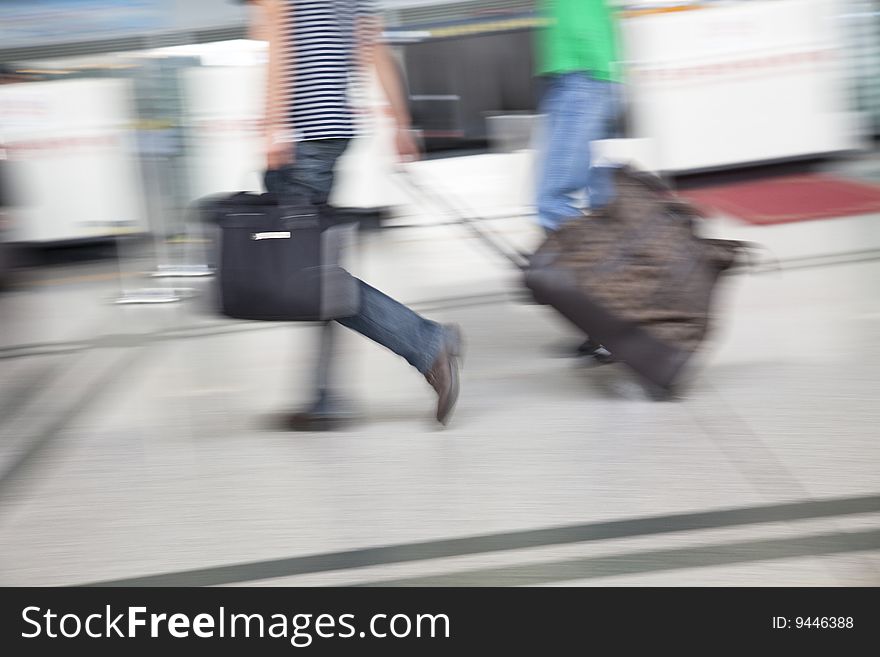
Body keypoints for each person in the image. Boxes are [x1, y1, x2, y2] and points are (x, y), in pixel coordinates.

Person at [254, 0, 461, 428]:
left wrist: (275, 126)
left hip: (302, 133)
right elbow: (374, 46)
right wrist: (401, 123)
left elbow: (278, 35)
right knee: (315, 270)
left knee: (307, 271)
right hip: (334, 129)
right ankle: (323, 398)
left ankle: (427, 342)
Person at [535, 0, 621, 362]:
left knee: (553, 201)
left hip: (581, 74)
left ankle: (616, 314)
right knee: (595, 201)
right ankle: (608, 318)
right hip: (577, 74)